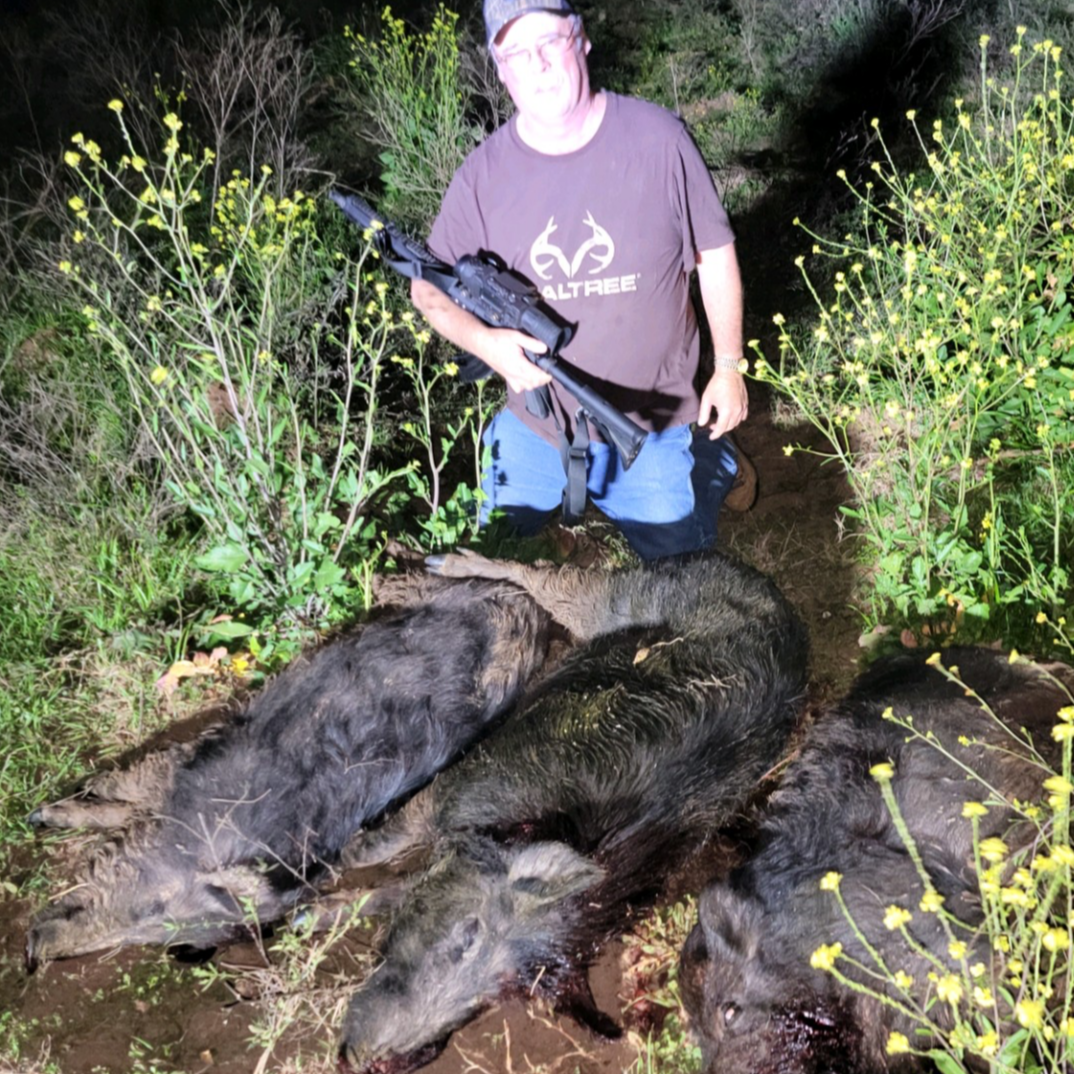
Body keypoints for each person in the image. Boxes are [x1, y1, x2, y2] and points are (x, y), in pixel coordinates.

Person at [411, 0, 754, 561]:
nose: (538, 64)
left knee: (681, 583)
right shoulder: (482, 176)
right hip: (539, 427)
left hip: (653, 423)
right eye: (517, 53)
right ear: (500, 71)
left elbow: (715, 252)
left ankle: (714, 460)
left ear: (582, 40)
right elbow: (426, 285)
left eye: (550, 41)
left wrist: (728, 369)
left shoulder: (659, 141)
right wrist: (485, 344)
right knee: (484, 567)